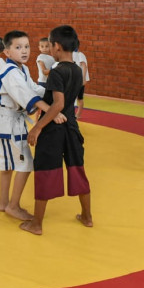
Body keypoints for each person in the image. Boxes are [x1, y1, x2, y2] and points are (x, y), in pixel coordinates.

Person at [21, 25, 91, 236]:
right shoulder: (77, 70)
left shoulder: (57, 71)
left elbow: (58, 103)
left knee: (46, 170)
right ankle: (87, 216)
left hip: (53, 130)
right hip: (72, 128)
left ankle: (36, 224)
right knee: (77, 168)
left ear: (57, 46)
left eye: (50, 45)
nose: (49, 48)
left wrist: (37, 127)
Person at [0, 30, 65, 221]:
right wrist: (52, 110)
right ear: (7, 52)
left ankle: (3, 203)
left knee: (8, 165)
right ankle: (13, 206)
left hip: (12, 122)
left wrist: (51, 93)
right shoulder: (9, 72)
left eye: (26, 46)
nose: (24, 51)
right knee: (24, 165)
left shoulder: (22, 69)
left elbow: (33, 88)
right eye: (18, 47)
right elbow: (25, 95)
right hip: (7, 122)